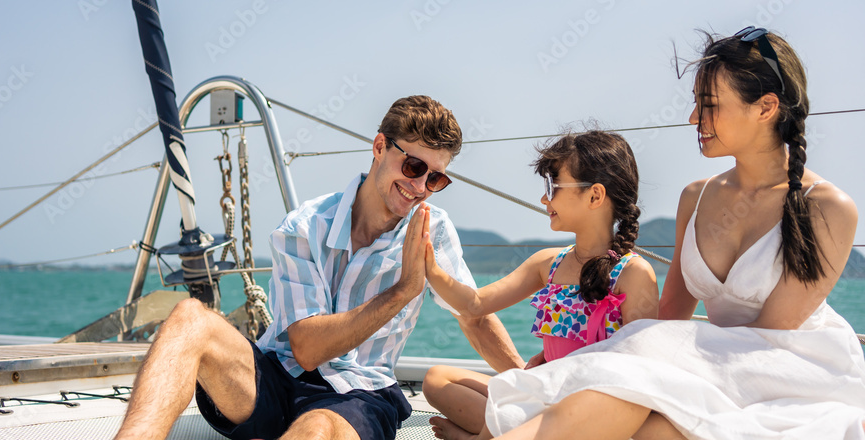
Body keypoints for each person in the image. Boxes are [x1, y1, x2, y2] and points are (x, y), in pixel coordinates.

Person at [481, 28, 865, 439]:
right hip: (713, 364)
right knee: (617, 397)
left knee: (641, 416)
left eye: (710, 105)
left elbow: (769, 339)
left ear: (766, 107)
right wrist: (590, 356)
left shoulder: (825, 207)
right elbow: (671, 315)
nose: (693, 118)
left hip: (791, 375)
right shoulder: (697, 197)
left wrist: (615, 363)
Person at [114, 95, 524, 440]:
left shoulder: (431, 231)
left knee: (317, 430)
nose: (419, 187)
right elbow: (307, 350)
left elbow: (473, 316)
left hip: (359, 394)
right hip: (273, 378)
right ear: (380, 146)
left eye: (435, 179)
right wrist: (402, 290)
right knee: (189, 317)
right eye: (414, 167)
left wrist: (531, 383)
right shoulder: (305, 225)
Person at [417, 130, 659, 440]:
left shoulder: (634, 274)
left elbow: (639, 377)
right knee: (438, 379)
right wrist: (431, 269)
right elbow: (474, 304)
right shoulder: (548, 264)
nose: (544, 199)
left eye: (553, 186)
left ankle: (484, 436)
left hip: (591, 417)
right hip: (543, 398)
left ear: (595, 196)